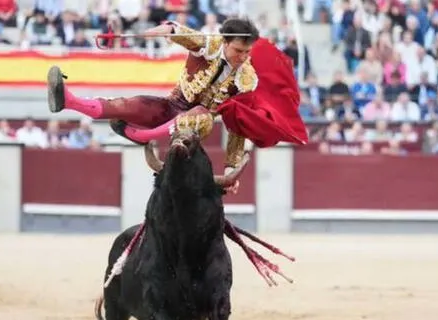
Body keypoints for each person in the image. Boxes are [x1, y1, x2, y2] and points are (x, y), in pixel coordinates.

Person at [47, 17, 308, 193]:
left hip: (196, 127)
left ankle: (137, 134)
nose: (243, 57)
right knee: (128, 105)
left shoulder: (247, 79)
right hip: (171, 106)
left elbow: (237, 123)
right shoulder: (209, 45)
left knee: (201, 115)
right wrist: (163, 30)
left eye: (247, 52)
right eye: (239, 50)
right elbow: (179, 32)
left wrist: (230, 169)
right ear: (226, 42)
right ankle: (69, 100)